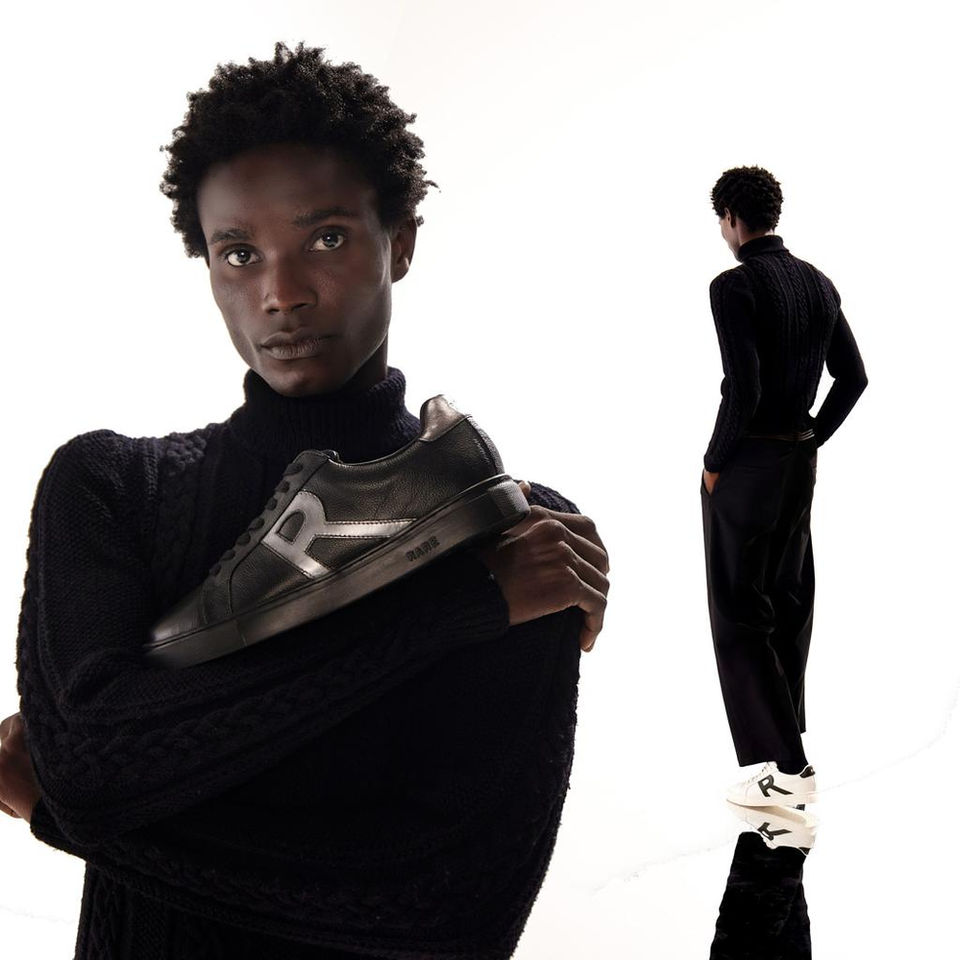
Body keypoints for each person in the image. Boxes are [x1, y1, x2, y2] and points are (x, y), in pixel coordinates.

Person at [0, 43, 609, 960]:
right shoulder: (109, 487)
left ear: (400, 241)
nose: (281, 295)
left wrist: (70, 814)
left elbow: (449, 915)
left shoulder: (510, 530)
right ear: (209, 266)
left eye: (326, 238)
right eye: (239, 253)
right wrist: (449, 611)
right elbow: (92, 771)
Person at [700, 166, 867, 806]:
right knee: (789, 602)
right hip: (799, 460)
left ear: (731, 218)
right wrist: (811, 437)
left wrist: (715, 461)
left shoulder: (733, 286)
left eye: (722, 222)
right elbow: (853, 377)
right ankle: (789, 751)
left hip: (749, 464)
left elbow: (743, 388)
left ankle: (786, 772)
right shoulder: (819, 283)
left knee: (740, 614)